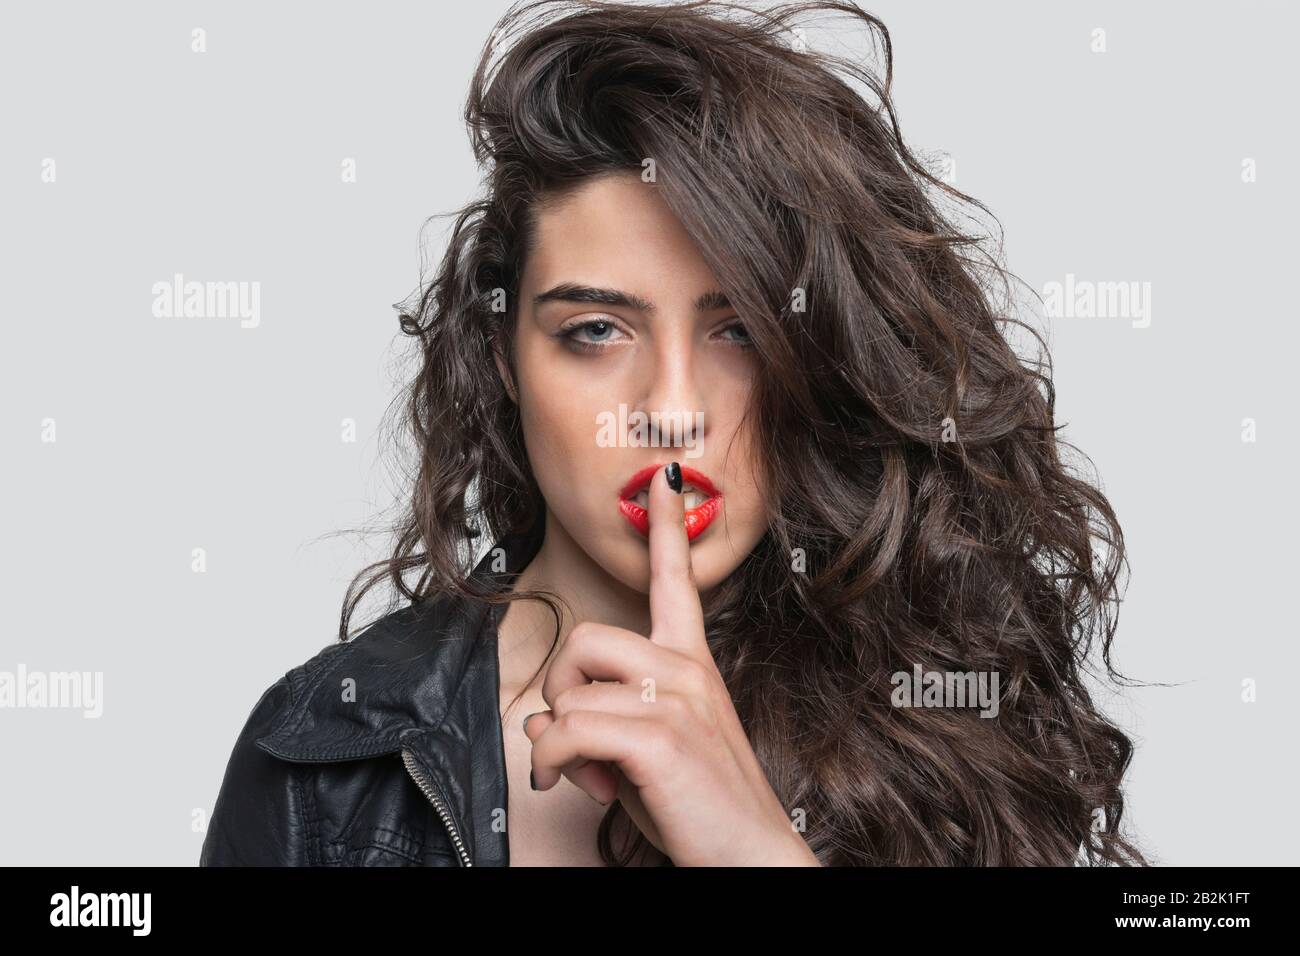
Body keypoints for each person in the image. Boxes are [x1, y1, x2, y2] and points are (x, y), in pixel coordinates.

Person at [200, 0, 1146, 867]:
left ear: (818, 354)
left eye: (738, 330)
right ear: (503, 359)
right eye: (596, 332)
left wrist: (751, 849)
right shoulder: (327, 753)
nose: (669, 409)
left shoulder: (948, 720)